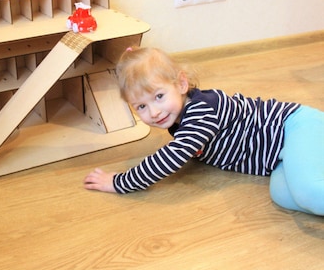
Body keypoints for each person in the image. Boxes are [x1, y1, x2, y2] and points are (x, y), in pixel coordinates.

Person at [83, 46, 324, 216]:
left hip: (295, 127)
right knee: (282, 195)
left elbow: (172, 157)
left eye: (159, 96)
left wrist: (120, 182)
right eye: (142, 106)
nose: (154, 112)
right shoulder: (179, 117)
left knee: (307, 192)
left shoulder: (203, 110)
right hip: (278, 156)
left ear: (181, 84)